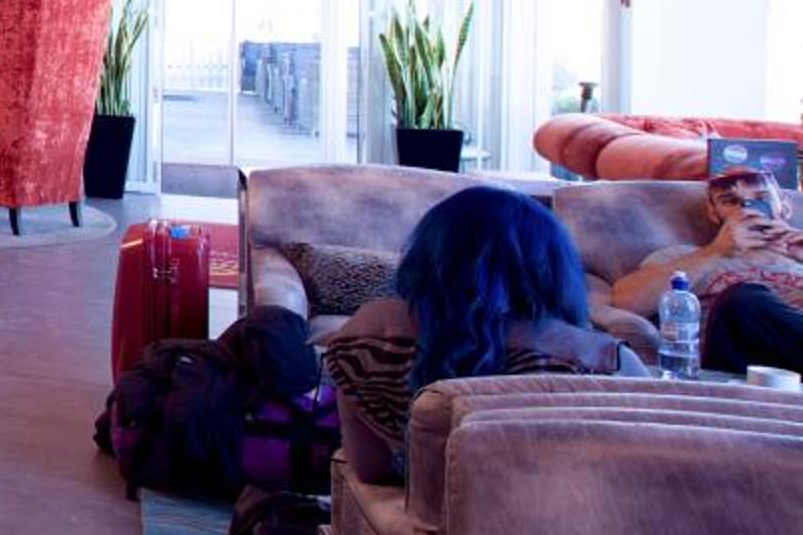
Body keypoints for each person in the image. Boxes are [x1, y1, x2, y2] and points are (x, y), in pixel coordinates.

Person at [321, 186, 638, 465]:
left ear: (430, 254)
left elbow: (368, 467)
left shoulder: (359, 342)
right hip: (552, 511)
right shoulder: (605, 363)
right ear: (552, 266)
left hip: (424, 507)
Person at [609, 167, 803, 374]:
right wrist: (714, 252)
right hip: (737, 362)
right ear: (713, 213)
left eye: (761, 199)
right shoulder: (683, 257)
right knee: (742, 299)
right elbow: (626, 301)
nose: (747, 210)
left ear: (785, 207)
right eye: (730, 201)